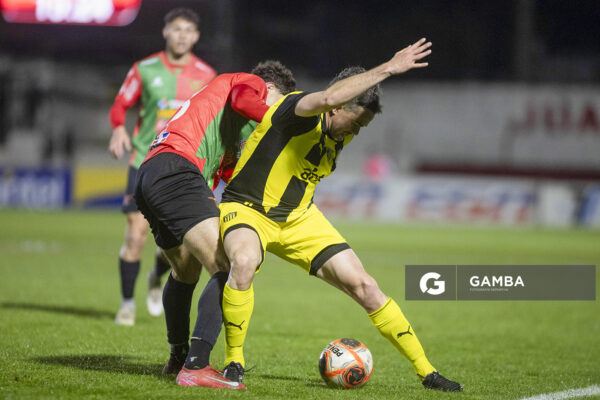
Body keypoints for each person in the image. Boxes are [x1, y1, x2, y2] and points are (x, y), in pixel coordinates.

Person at [218, 38, 462, 392]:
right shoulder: (297, 110)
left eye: (362, 127)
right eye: (355, 121)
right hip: (248, 209)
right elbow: (330, 96)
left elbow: (339, 114)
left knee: (366, 285)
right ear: (335, 108)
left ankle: (427, 372)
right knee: (243, 262)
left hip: (300, 218)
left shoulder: (339, 132)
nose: (355, 131)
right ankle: (233, 362)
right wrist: (389, 68)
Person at [134, 61, 296, 389]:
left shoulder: (226, 127)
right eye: (276, 101)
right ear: (269, 88)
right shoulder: (246, 83)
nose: (271, 108)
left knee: (185, 272)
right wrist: (281, 117)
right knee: (229, 265)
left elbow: (232, 177)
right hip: (178, 169)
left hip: (152, 171)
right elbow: (244, 100)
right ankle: (196, 365)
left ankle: (178, 358)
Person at [108, 8, 216, 326]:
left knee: (178, 243)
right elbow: (120, 103)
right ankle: (127, 304)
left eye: (188, 30)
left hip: (183, 166)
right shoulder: (145, 68)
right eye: (176, 29)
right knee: (136, 234)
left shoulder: (206, 75)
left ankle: (156, 274)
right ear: (165, 32)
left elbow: (211, 121)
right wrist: (118, 128)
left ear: (196, 36)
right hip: (143, 160)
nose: (182, 35)